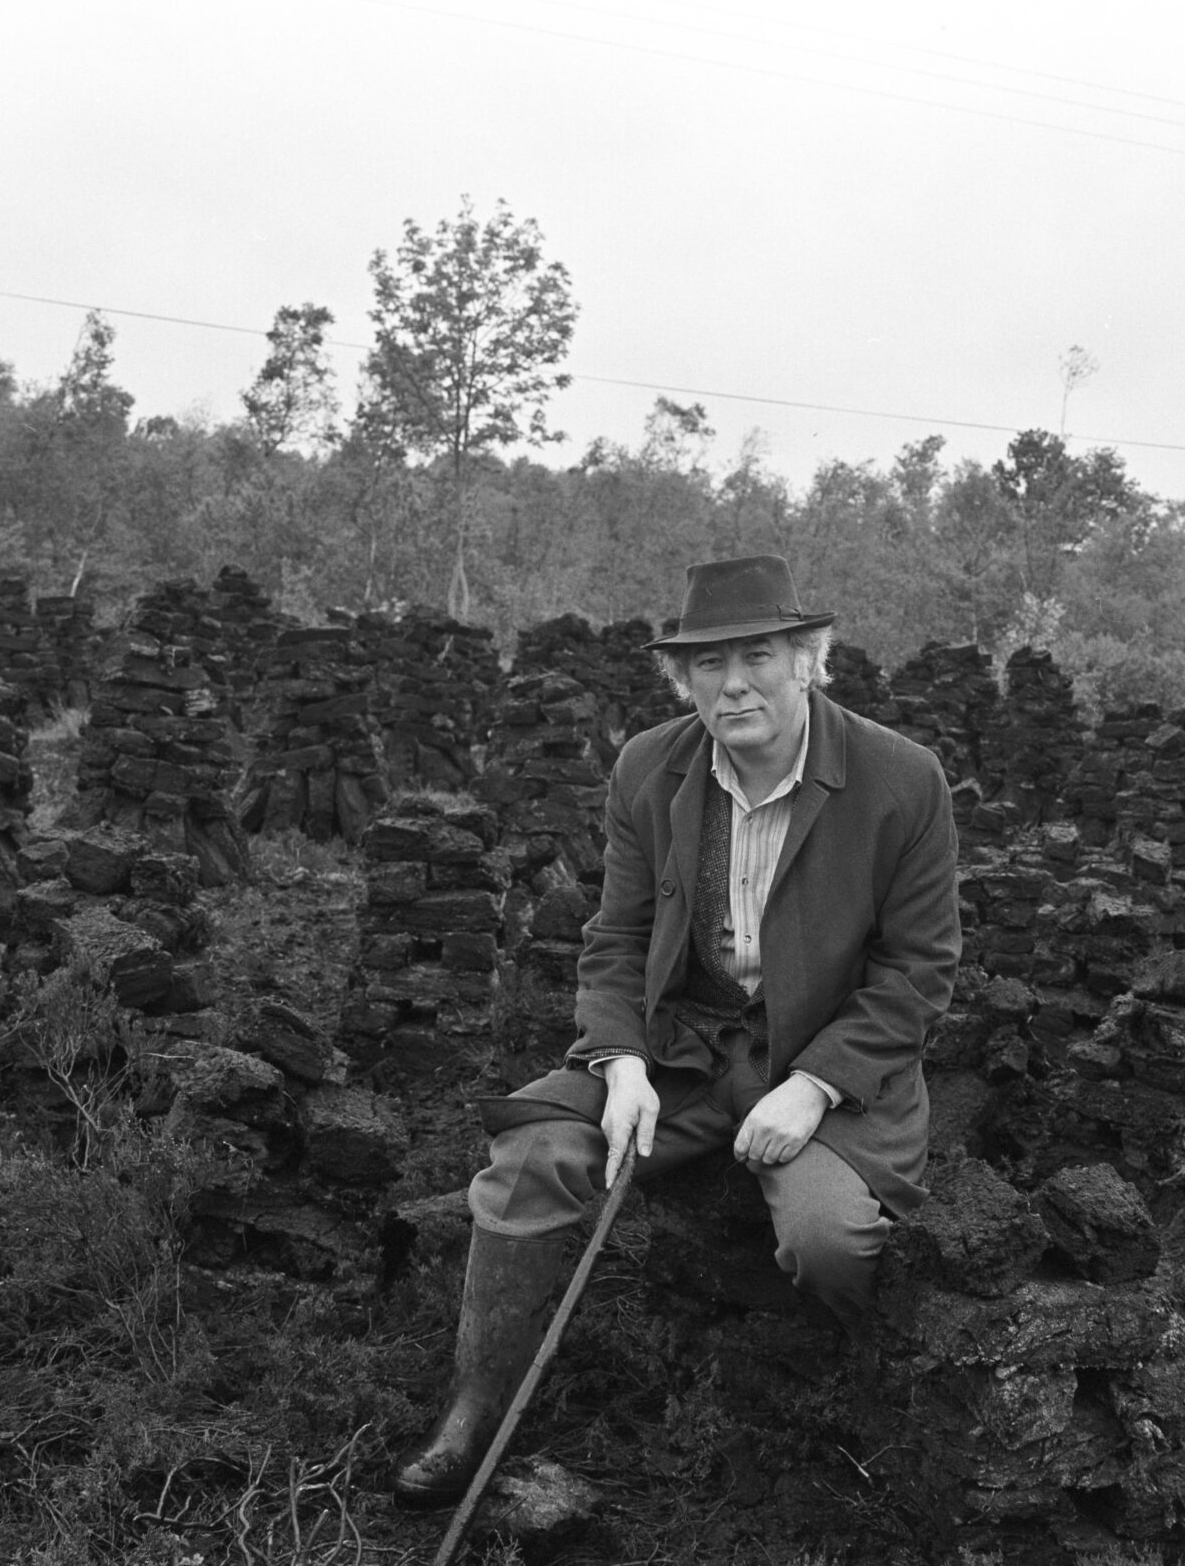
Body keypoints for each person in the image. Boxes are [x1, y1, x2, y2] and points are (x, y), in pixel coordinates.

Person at [392, 554, 962, 1509]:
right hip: (681, 1051)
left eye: (758, 655)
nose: (733, 683)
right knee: (531, 1151)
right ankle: (471, 1416)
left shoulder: (902, 781)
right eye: (707, 664)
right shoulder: (649, 767)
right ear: (681, 679)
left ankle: (844, 1411)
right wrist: (619, 1064)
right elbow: (614, 936)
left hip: (819, 1064)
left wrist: (815, 1084)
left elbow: (919, 970)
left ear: (808, 660)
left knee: (830, 1240)